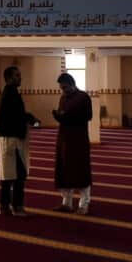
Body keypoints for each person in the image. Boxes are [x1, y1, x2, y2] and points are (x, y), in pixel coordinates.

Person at [0, 66, 38, 217]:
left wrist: (29, 118)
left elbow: (17, 114)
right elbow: (14, 117)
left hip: (11, 138)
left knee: (9, 176)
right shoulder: (10, 93)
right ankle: (16, 207)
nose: (20, 78)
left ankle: (5, 206)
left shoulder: (12, 93)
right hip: (11, 140)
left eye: (20, 75)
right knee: (17, 176)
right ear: (8, 78)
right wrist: (28, 119)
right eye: (17, 76)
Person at [52, 72, 92, 215]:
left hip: (79, 139)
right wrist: (59, 116)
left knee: (80, 170)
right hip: (64, 138)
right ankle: (66, 203)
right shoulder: (63, 98)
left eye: (65, 87)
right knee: (64, 170)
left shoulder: (83, 97)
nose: (64, 90)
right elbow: (63, 114)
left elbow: (89, 116)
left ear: (72, 84)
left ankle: (84, 204)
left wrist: (70, 116)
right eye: (62, 88)